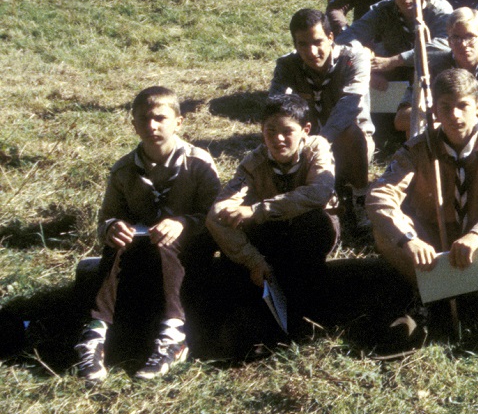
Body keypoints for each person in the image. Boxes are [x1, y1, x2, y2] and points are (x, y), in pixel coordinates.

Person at [365, 69, 478, 349]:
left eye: (463, 105)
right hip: (431, 243)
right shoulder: (418, 147)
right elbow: (380, 194)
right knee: (385, 234)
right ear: (435, 110)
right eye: (446, 107)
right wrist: (408, 238)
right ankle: (428, 297)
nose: (455, 115)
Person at [75, 87, 220, 383]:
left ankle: (172, 336)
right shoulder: (124, 170)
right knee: (117, 245)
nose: (152, 126)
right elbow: (105, 220)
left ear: (178, 122)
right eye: (144, 120)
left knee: (166, 239)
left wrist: (184, 223)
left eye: (160, 118)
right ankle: (94, 335)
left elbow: (216, 215)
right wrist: (113, 228)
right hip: (142, 253)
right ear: (134, 125)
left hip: (189, 250)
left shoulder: (198, 163)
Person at [207, 94, 340, 340]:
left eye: (288, 131)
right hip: (272, 233)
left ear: (305, 130)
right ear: (261, 131)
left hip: (308, 231)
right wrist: (253, 260)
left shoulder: (317, 148)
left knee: (314, 224)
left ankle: (306, 313)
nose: (278, 139)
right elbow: (218, 213)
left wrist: (256, 210)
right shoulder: (254, 161)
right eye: (271, 131)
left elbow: (319, 192)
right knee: (229, 242)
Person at [269, 8, 373, 227]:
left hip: (351, 141)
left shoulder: (354, 58)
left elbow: (349, 105)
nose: (312, 51)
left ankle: (361, 197)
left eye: (317, 42)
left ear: (330, 37)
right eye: (303, 45)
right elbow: (276, 107)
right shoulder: (287, 65)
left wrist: (321, 142)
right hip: (307, 143)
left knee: (349, 130)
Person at [336, 0, 452, 151]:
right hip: (391, 77)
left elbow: (445, 46)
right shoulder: (383, 10)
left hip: (430, 75)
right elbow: (347, 38)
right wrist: (365, 63)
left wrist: (395, 61)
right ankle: (363, 136)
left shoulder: (440, 10)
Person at [395, 8, 478, 138]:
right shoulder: (433, 66)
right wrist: (472, 113)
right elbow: (402, 119)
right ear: (449, 41)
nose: (463, 44)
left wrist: (439, 114)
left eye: (470, 36)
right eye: (456, 37)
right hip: (445, 142)